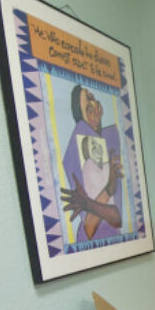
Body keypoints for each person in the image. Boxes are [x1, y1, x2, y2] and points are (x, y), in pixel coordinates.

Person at [60, 84, 123, 240]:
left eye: (95, 101)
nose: (95, 108)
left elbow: (116, 218)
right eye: (88, 106)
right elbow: (89, 226)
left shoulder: (109, 147)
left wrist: (107, 191)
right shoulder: (76, 151)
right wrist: (100, 196)